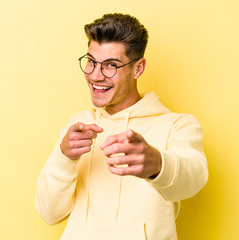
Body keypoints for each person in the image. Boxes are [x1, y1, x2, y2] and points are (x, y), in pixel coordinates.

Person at [35, 13, 208, 240]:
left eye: (111, 65)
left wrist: (157, 164)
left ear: (138, 69)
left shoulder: (177, 125)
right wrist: (64, 156)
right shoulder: (78, 125)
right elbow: (49, 213)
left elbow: (193, 180)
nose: (96, 75)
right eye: (91, 62)